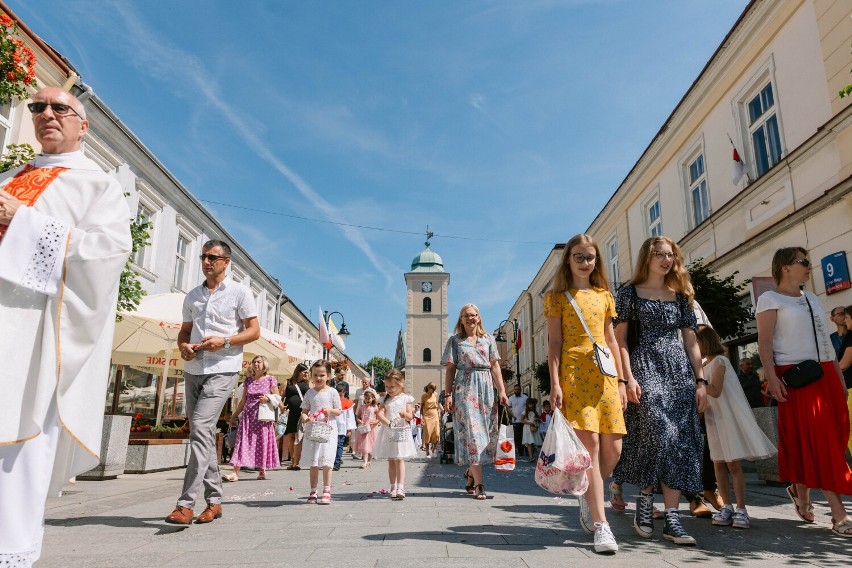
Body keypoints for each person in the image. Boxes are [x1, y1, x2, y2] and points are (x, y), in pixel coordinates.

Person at [0, 87, 132, 564]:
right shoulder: (10, 176)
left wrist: (25, 221)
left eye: (60, 108)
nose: (46, 114)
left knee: (16, 433)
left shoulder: (97, 184)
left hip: (34, 335)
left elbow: (110, 252)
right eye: (37, 107)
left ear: (83, 125)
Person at [612, 236, 707, 546]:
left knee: (679, 440)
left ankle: (673, 518)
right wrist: (626, 378)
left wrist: (701, 381)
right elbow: (620, 340)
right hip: (645, 363)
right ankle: (644, 497)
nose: (666, 260)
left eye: (670, 255)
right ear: (647, 258)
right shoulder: (628, 293)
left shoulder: (680, 295)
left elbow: (691, 341)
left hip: (678, 368)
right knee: (657, 429)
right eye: (659, 255)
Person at [756, 247, 852, 536]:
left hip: (825, 373)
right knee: (819, 439)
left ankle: (802, 495)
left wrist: (839, 378)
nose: (810, 267)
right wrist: (771, 377)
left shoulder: (811, 297)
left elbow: (825, 342)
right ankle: (838, 514)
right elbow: (764, 342)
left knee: (828, 437)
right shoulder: (769, 298)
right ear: (785, 267)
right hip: (796, 376)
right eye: (804, 262)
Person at [165, 239, 260, 525]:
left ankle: (185, 504)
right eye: (203, 256)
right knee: (202, 433)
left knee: (202, 428)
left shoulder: (240, 293)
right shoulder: (192, 296)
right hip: (194, 367)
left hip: (223, 367)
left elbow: (254, 331)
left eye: (212, 257)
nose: (206, 262)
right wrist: (183, 346)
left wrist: (226, 340)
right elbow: (184, 332)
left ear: (226, 262)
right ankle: (215, 501)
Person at [545, 233, 625, 553]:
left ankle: (586, 490)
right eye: (578, 256)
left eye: (590, 257)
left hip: (604, 376)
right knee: (589, 445)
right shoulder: (557, 297)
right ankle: (601, 525)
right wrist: (555, 383)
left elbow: (611, 339)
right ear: (568, 260)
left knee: (614, 449)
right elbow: (554, 344)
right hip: (574, 375)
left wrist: (621, 381)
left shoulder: (605, 295)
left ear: (596, 261)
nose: (585, 262)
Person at [696, 327, 776, 529]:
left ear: (705, 342)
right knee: (718, 463)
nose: (695, 347)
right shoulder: (703, 364)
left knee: (733, 464)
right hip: (713, 419)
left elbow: (715, 390)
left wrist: (697, 381)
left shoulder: (720, 362)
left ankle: (741, 508)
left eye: (697, 343)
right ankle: (727, 506)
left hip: (727, 418)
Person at [442, 304, 510, 500]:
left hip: (486, 388)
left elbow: (495, 366)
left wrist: (502, 391)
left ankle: (471, 473)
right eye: (466, 316)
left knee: (486, 436)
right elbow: (450, 369)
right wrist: (448, 395)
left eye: (473, 315)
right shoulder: (455, 341)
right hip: (464, 388)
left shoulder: (488, 339)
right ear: (461, 320)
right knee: (473, 435)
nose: (470, 318)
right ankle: (480, 484)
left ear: (479, 318)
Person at [223, 356, 280, 481]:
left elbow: (278, 397)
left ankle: (262, 470)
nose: (255, 364)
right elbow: (243, 400)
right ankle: (235, 472)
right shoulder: (248, 380)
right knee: (241, 442)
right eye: (254, 362)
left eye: (258, 362)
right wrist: (234, 415)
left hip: (263, 417)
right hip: (248, 416)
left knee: (262, 442)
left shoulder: (270, 379)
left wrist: (268, 398)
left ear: (264, 364)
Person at [300, 360, 342, 504]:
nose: (318, 378)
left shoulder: (332, 392)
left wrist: (329, 410)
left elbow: (338, 411)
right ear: (311, 376)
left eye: (322, 375)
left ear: (328, 376)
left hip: (328, 429)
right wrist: (306, 419)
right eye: (315, 375)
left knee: (327, 461)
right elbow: (304, 411)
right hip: (314, 429)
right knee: (314, 462)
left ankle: (326, 490)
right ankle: (313, 491)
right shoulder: (309, 393)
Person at [373, 369, 418, 499]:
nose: (389, 389)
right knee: (391, 460)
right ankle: (392, 486)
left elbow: (410, 416)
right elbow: (379, 415)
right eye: (387, 386)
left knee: (399, 458)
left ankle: (400, 486)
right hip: (389, 432)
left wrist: (405, 414)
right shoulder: (385, 400)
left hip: (401, 432)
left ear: (401, 385)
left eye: (392, 386)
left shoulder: (406, 399)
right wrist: (388, 423)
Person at [281, 363, 309, 470]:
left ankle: (297, 461)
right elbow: (280, 396)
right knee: (291, 437)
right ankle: (292, 461)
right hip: (290, 413)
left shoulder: (307, 384)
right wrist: (281, 406)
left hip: (302, 413)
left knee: (299, 437)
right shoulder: (287, 383)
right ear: (298, 372)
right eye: (304, 372)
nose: (306, 374)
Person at [353, 389, 380, 468]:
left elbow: (379, 418)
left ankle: (369, 461)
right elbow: (358, 416)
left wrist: (376, 422)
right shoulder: (362, 407)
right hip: (364, 428)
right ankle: (364, 461)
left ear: (372, 399)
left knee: (371, 445)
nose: (367, 400)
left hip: (372, 428)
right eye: (366, 398)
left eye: (369, 398)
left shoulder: (375, 407)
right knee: (365, 445)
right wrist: (359, 420)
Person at [838, 306, 852, 455]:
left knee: (851, 429)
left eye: (846, 317)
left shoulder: (851, 336)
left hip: (851, 388)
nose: (844, 320)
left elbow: (844, 365)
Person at [333, 380, 355, 471]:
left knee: (339, 444)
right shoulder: (332, 402)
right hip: (332, 426)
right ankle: (331, 461)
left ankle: (337, 462)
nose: (339, 396)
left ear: (344, 393)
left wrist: (349, 429)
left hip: (342, 426)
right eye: (337, 393)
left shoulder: (348, 403)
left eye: (341, 394)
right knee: (332, 445)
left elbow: (350, 417)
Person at [507, 383, 528, 460]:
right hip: (515, 420)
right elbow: (508, 408)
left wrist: (525, 415)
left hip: (524, 420)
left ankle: (527, 451)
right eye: (516, 389)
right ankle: (520, 451)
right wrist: (512, 416)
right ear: (514, 390)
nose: (517, 390)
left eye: (518, 389)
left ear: (521, 389)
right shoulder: (511, 398)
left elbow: (528, 407)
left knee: (525, 435)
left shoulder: (525, 397)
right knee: (517, 437)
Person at [421, 383, 440, 456]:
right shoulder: (424, 396)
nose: (432, 391)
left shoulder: (435, 394)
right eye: (431, 389)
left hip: (435, 414)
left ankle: (434, 448)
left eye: (433, 389)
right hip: (427, 414)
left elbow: (437, 404)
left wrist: (439, 414)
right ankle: (427, 451)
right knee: (428, 433)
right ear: (428, 388)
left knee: (436, 433)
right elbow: (421, 407)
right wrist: (421, 417)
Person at [521, 398, 540, 463]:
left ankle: (532, 455)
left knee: (532, 442)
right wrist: (529, 423)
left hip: (533, 427)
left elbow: (538, 419)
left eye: (532, 404)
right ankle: (531, 457)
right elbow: (521, 420)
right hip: (527, 428)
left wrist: (537, 420)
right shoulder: (524, 411)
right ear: (527, 405)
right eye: (529, 404)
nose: (530, 406)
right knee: (529, 442)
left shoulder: (535, 411)